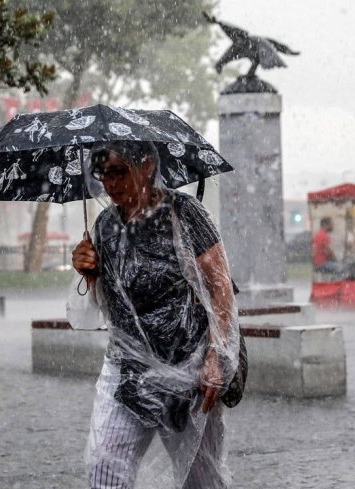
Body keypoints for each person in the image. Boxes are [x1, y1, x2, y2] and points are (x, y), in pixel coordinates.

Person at [70, 141, 239, 489]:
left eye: (119, 171)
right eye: (103, 174)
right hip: (127, 373)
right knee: (105, 467)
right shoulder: (104, 226)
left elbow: (220, 287)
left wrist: (217, 355)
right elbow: (109, 305)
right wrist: (89, 273)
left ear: (147, 165)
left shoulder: (184, 213)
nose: (110, 183)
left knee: (201, 478)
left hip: (188, 373)